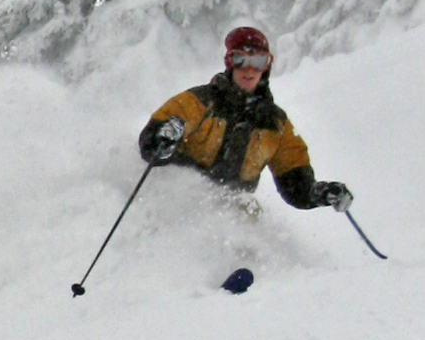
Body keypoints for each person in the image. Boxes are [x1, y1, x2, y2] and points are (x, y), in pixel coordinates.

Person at [137, 26, 352, 211]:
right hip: (178, 197)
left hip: (231, 211)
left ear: (266, 67)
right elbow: (150, 145)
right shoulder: (199, 102)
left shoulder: (275, 124)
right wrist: (162, 139)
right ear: (230, 63)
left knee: (248, 220)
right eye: (240, 60)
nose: (249, 70)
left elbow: (296, 184)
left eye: (258, 62)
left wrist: (321, 193)